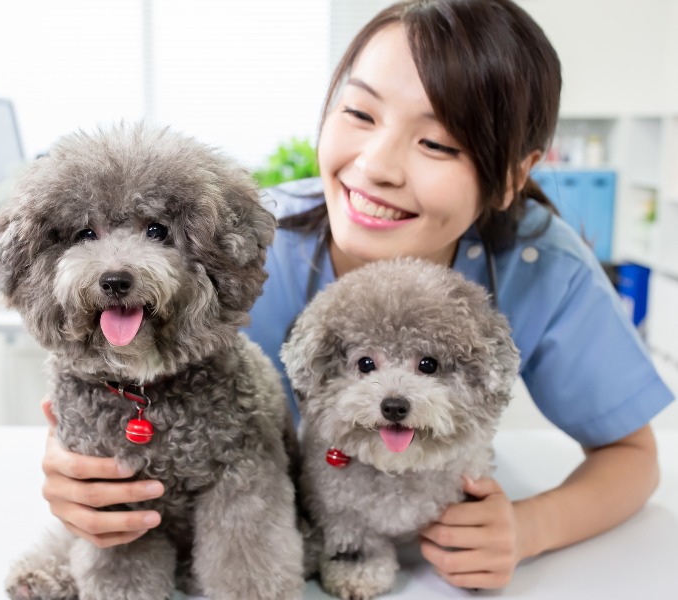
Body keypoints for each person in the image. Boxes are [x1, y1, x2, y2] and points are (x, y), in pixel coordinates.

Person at [37, 0, 674, 590]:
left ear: (512, 175)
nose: (376, 165)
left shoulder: (542, 267)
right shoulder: (247, 248)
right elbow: (129, 390)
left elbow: (633, 456)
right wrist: (76, 471)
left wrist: (531, 527)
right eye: (360, 113)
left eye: (437, 143)